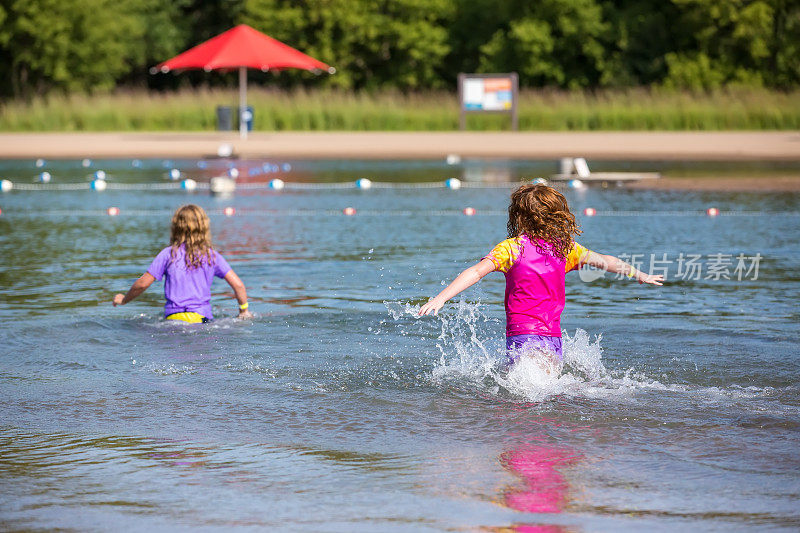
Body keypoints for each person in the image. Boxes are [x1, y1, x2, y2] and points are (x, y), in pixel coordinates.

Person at [419, 184, 662, 368]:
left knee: (526, 397)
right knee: (547, 391)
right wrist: (638, 274)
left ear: (520, 217)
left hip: (522, 334)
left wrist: (441, 297)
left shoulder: (511, 248)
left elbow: (475, 272)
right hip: (553, 336)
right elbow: (606, 262)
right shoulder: (566, 249)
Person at [113, 204, 253, 323]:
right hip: (202, 319)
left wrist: (124, 299)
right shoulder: (212, 256)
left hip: (174, 318)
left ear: (175, 228)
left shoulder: (168, 254)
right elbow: (239, 285)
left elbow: (142, 284)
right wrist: (243, 310)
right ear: (204, 227)